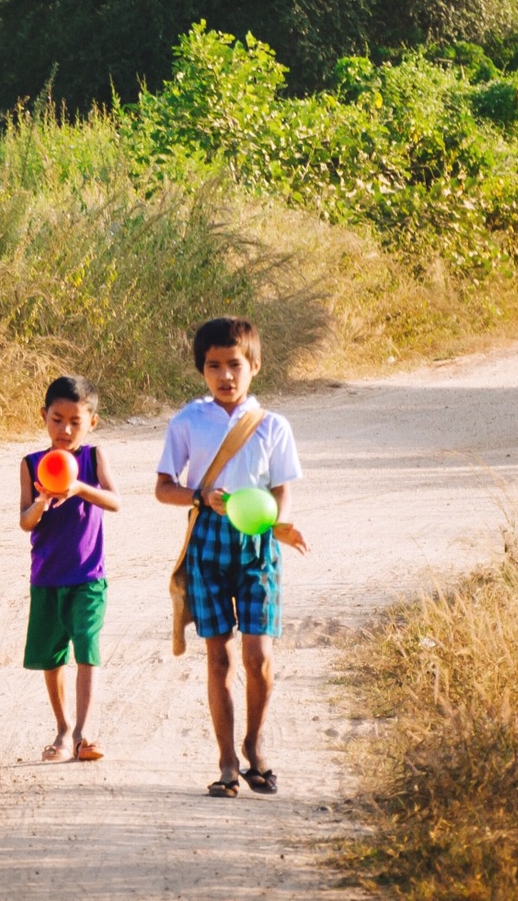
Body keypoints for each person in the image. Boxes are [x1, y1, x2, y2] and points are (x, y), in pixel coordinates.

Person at [156, 317, 310, 798]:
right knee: (219, 656)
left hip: (259, 545)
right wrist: (201, 497)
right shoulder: (187, 422)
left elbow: (282, 486)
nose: (225, 375)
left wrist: (279, 522)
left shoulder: (272, 426)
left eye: (235, 365)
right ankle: (225, 762)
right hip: (208, 543)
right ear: (201, 370)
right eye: (213, 366)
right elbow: (164, 489)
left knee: (259, 654)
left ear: (255, 366)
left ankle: (254, 747)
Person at [18, 375, 120, 762]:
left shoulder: (93, 459)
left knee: (87, 650)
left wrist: (80, 489)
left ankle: (84, 732)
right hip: (46, 579)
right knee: (52, 656)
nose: (65, 429)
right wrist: (42, 501)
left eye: (75, 421)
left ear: (91, 422)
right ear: (43, 416)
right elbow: (25, 521)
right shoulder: (31, 464)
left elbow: (114, 501)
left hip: (88, 578)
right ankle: (62, 730)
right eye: (57, 419)